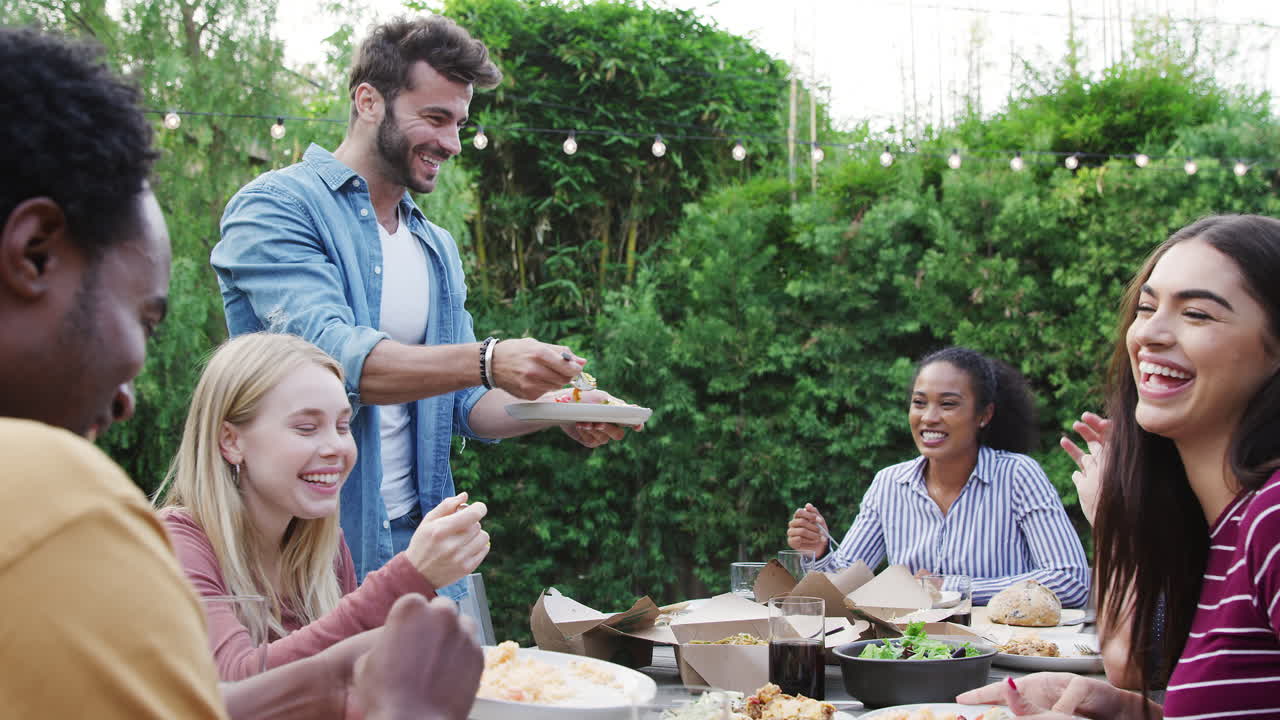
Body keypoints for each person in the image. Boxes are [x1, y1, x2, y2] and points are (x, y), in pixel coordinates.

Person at [0, 25, 481, 720]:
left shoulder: (318, 546)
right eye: (142, 319)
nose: (131, 394)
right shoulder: (56, 500)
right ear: (34, 253)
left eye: (340, 425)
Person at [212, 14, 637, 583]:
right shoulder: (277, 207)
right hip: (306, 553)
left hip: (423, 543)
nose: (452, 143)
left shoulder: (434, 246)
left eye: (459, 123)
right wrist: (489, 360)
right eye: (435, 118)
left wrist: (557, 405)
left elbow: (466, 403)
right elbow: (329, 362)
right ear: (368, 101)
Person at [960, 214, 1280, 718]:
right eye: (1146, 308)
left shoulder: (1272, 518)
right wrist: (1127, 712)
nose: (1150, 333)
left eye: (1197, 314)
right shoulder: (1224, 530)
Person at [156, 332, 491, 680]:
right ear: (231, 441)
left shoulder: (325, 549)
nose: (337, 447)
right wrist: (407, 579)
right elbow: (232, 684)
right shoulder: (174, 545)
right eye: (306, 427)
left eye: (343, 426)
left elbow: (350, 682)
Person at [787, 347, 1090, 607]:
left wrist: (950, 587)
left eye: (948, 404)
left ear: (984, 415)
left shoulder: (1018, 476)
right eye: (919, 403)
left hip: (1001, 650)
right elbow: (843, 581)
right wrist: (819, 551)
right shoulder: (888, 484)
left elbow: (1070, 580)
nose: (929, 417)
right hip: (913, 649)